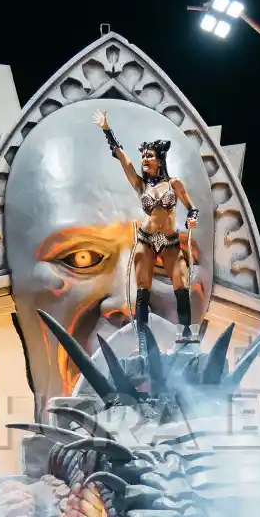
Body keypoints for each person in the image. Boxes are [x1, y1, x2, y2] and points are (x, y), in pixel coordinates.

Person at [92, 109, 200, 352]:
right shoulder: (140, 185)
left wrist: (192, 220)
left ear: (160, 159)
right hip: (146, 240)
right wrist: (107, 130)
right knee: (143, 288)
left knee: (181, 285)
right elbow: (122, 159)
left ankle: (185, 333)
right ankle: (142, 338)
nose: (145, 159)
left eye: (149, 155)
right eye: (143, 156)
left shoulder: (174, 184)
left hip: (170, 241)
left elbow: (192, 208)